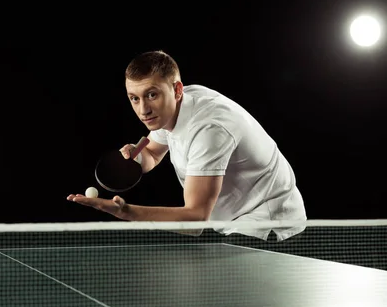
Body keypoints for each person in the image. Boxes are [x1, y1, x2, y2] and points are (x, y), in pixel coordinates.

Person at [67, 50, 306, 241]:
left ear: (177, 90)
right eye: (134, 98)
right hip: (232, 221)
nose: (143, 110)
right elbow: (152, 153)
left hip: (268, 224)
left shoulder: (209, 130)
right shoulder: (173, 108)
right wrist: (137, 156)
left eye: (152, 95)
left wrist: (124, 212)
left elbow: (195, 219)